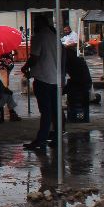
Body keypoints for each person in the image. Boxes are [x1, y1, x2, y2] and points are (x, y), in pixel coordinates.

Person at [22, 14, 62, 151]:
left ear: (40, 23)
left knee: (45, 112)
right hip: (54, 80)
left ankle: (41, 140)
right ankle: (57, 138)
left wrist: (25, 67)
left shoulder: (39, 37)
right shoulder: (54, 37)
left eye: (35, 22)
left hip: (43, 80)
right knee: (55, 111)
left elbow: (34, 58)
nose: (34, 26)